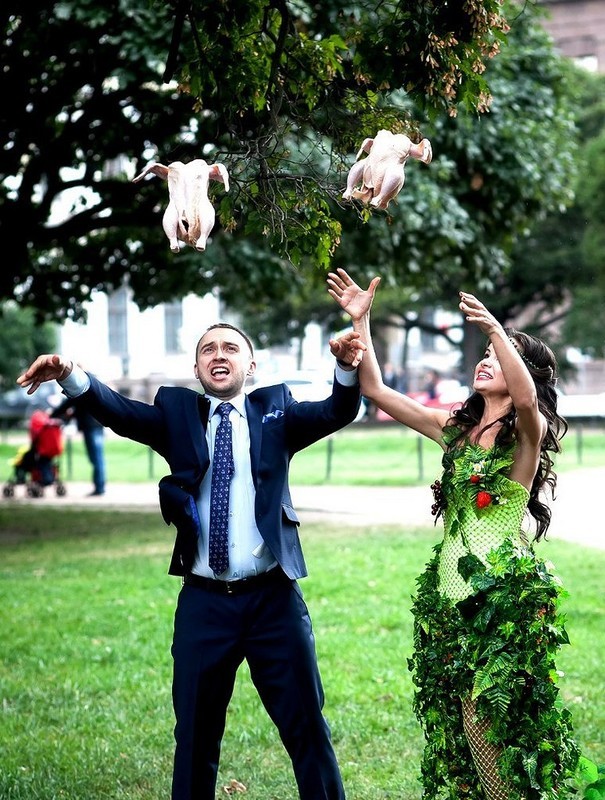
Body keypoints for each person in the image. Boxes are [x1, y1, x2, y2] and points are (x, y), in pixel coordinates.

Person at [17, 322, 365, 800]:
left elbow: (336, 410)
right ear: (197, 367)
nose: (218, 355)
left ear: (251, 364)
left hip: (273, 602)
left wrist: (347, 367)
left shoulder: (276, 410)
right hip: (205, 605)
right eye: (207, 350)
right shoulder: (177, 416)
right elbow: (120, 412)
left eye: (230, 347)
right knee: (196, 738)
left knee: (307, 728)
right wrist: (70, 373)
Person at [327, 268, 579, 800]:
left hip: (500, 601)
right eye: (486, 352)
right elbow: (374, 389)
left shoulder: (524, 440)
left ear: (522, 372)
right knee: (463, 740)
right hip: (447, 599)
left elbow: (530, 404)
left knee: (488, 729)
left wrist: (495, 330)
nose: (485, 359)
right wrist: (362, 321)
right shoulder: (456, 431)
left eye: (501, 355)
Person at [52, 396, 106, 496]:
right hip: (98, 425)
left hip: (90, 427)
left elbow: (66, 405)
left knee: (96, 459)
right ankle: (100, 486)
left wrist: (52, 415)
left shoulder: (78, 392)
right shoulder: (90, 391)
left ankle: (99, 487)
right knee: (98, 458)